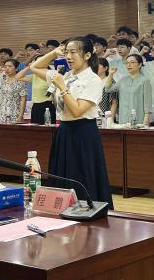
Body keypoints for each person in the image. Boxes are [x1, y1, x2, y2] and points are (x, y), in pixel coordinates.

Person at [30, 38, 112, 205]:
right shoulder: (67, 76)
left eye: (73, 52)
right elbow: (35, 67)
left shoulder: (93, 80)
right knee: (61, 174)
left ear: (87, 55)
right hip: (64, 131)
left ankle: (86, 210)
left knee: (81, 175)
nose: (68, 56)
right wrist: (54, 53)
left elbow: (77, 110)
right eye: (66, 52)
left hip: (83, 133)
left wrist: (62, 87)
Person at [108, 54, 152, 126]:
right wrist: (110, 74)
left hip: (139, 120)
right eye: (127, 63)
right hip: (123, 120)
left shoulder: (145, 81)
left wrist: (145, 122)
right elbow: (108, 89)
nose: (128, 65)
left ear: (140, 65)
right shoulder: (123, 80)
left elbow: (147, 104)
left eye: (132, 62)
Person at [0, 59, 27, 123]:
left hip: (14, 114)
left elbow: (23, 100)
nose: (7, 69)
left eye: (10, 66)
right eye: (5, 66)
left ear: (16, 69)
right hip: (1, 115)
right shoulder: (2, 81)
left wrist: (20, 116)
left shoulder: (21, 82)